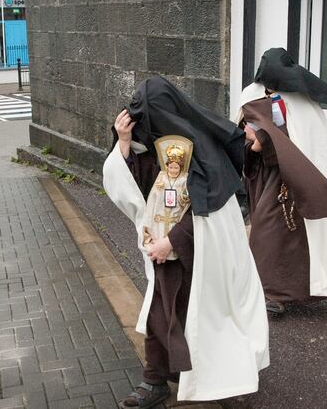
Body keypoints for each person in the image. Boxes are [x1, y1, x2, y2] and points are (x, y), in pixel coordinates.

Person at [104, 76, 269, 408]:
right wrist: (122, 143)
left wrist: (173, 242)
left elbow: (212, 212)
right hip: (167, 251)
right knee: (161, 314)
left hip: (199, 254)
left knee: (205, 316)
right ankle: (157, 380)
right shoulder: (157, 142)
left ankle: (209, 380)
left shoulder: (202, 150)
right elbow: (136, 183)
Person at [239, 47, 327, 314]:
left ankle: (273, 294)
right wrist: (252, 144)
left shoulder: (301, 103)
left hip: (293, 175)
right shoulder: (252, 93)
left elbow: (303, 141)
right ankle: (273, 292)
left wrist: (261, 141)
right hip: (265, 175)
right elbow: (242, 129)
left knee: (272, 233)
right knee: (271, 232)